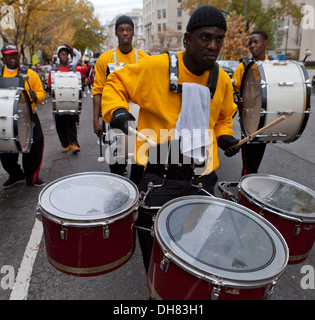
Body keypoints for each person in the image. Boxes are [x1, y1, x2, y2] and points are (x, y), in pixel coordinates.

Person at [102, 5, 240, 272]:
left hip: (201, 178)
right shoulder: (156, 67)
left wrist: (224, 137)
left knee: (193, 252)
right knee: (156, 256)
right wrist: (117, 111)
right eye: (205, 37)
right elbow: (115, 82)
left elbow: (224, 116)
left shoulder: (222, 79)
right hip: (158, 176)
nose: (213, 45)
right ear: (187, 39)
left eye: (219, 39)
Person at [92, 15, 148, 183]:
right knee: (116, 161)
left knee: (139, 160)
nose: (125, 33)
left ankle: (136, 191)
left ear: (133, 33)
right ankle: (121, 186)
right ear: (116, 33)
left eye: (128, 29)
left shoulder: (144, 59)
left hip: (139, 119)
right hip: (114, 118)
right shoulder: (105, 59)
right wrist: (96, 120)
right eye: (121, 30)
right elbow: (98, 90)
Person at [0, 43, 47, 189]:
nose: (12, 57)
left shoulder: (30, 73)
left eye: (15, 54)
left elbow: (41, 93)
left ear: (19, 56)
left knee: (35, 143)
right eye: (9, 55)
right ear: (4, 57)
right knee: (5, 148)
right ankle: (15, 174)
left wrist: (36, 96)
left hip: (28, 116)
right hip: (4, 118)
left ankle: (32, 177)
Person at [232, 30, 271, 176]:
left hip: (265, 118)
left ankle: (250, 182)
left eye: (256, 42)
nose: (252, 46)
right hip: (248, 118)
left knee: (257, 155)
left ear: (265, 43)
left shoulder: (272, 66)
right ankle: (246, 187)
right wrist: (237, 99)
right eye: (250, 43)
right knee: (248, 160)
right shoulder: (244, 66)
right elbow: (234, 89)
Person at [47, 44, 82, 154]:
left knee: (71, 122)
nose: (64, 57)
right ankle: (65, 144)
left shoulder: (72, 67)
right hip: (58, 101)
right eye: (62, 54)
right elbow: (50, 85)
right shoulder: (53, 70)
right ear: (58, 56)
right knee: (60, 124)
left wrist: (71, 48)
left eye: (66, 54)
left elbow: (78, 55)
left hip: (71, 100)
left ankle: (74, 143)